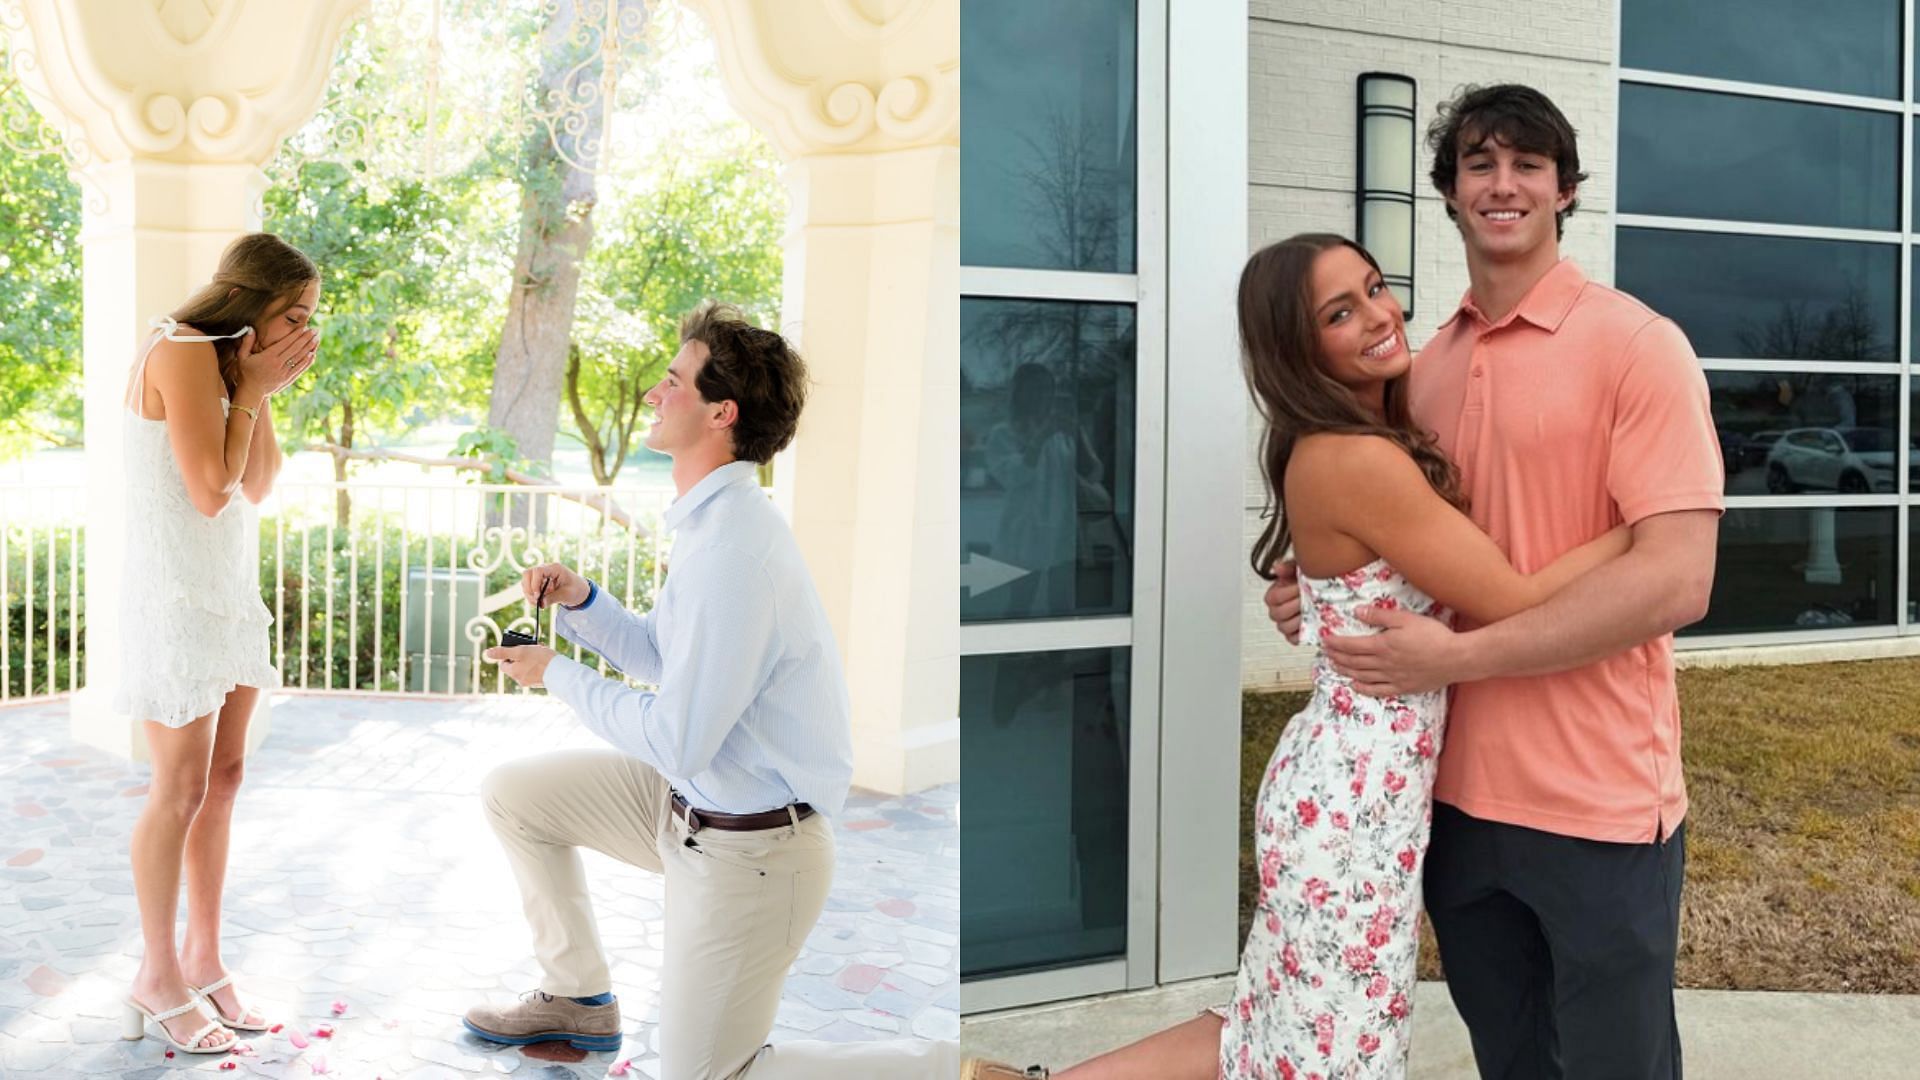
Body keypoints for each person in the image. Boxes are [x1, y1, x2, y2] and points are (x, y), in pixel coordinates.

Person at [964, 228, 1630, 1080]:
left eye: (1376, 287)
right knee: (1336, 1053)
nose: (1380, 315)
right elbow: (1515, 598)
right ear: (1298, 347)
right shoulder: (1355, 460)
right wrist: (1639, 532)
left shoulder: (1342, 443)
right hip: (1350, 813)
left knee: (1265, 1023)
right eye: (1339, 313)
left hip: (1343, 794)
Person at [1265, 85, 1721, 1079]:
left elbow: (1679, 581)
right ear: (1451, 191)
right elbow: (1386, 537)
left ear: (1565, 189)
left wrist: (1462, 653)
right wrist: (1322, 590)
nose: (1503, 183)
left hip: (1597, 799)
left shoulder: (1640, 348)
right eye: (1480, 163)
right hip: (1455, 799)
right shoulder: (1420, 372)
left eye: (1528, 164)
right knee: (1514, 1061)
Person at [473, 302, 959, 1078]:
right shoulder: (711, 526)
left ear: (720, 413)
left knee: (708, 1074)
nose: (654, 395)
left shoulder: (736, 551)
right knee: (515, 795)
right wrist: (582, 602)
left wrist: (554, 673)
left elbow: (676, 736)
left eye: (672, 382)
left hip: (757, 852)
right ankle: (578, 999)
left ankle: (945, 1070)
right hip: (687, 809)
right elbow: (667, 660)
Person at [119, 233, 319, 1054]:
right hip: (175, 598)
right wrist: (251, 386)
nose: (306, 333)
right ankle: (155, 974)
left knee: (225, 778)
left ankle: (203, 958)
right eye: (296, 315)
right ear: (254, 304)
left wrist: (259, 386)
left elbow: (258, 485)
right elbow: (209, 493)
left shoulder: (233, 365)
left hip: (227, 594)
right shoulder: (182, 347)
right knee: (178, 788)